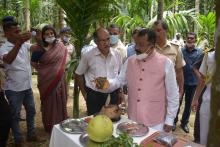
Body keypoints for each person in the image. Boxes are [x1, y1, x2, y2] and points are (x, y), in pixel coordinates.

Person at [109, 28, 179, 132]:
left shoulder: (166, 63)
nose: (136, 47)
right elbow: (119, 80)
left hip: (155, 121)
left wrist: (169, 119)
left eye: (141, 45)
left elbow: (173, 94)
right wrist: (106, 84)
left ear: (151, 46)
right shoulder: (130, 61)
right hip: (132, 118)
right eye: (136, 43)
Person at [0, 18, 39, 147]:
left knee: (31, 111)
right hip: (14, 89)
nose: (18, 33)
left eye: (18, 30)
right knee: (14, 115)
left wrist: (39, 36)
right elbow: (8, 60)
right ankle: (18, 140)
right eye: (14, 32)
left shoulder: (23, 44)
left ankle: (31, 134)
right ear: (7, 34)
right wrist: (19, 42)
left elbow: (35, 47)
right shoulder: (3, 48)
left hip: (27, 86)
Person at [75, 27, 123, 115]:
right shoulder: (88, 56)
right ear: (96, 42)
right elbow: (78, 74)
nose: (107, 43)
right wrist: (85, 94)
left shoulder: (116, 54)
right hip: (95, 97)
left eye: (108, 39)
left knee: (113, 123)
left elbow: (119, 74)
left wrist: (120, 91)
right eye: (102, 40)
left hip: (113, 96)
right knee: (96, 124)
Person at [33, 25, 68, 133]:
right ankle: (50, 125)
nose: (50, 35)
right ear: (43, 36)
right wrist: (44, 70)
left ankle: (61, 123)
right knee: (49, 103)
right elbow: (33, 63)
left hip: (59, 80)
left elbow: (63, 62)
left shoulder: (60, 46)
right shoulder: (39, 49)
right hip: (46, 82)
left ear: (55, 34)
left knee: (60, 100)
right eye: (47, 34)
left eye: (51, 33)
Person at [152, 20, 185, 130]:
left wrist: (180, 91)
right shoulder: (150, 48)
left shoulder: (175, 48)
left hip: (169, 92)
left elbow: (179, 72)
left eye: (159, 30)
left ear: (165, 31)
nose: (156, 33)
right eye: (154, 31)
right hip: (154, 92)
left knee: (168, 122)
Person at [174, 32, 203, 133]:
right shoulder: (181, 51)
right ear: (186, 39)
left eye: (192, 38)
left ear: (195, 40)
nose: (190, 40)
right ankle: (173, 121)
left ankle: (184, 123)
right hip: (181, 82)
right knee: (177, 102)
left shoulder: (200, 52)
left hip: (193, 83)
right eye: (188, 38)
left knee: (188, 104)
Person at [191, 50, 216, 145]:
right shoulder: (208, 56)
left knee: (204, 137)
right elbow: (202, 80)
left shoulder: (209, 56)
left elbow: (202, 80)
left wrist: (195, 99)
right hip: (207, 102)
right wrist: (196, 99)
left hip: (208, 101)